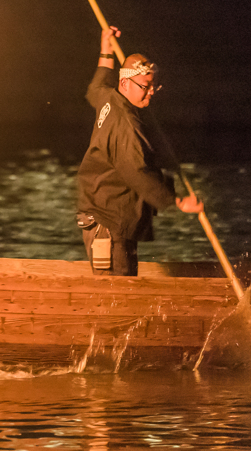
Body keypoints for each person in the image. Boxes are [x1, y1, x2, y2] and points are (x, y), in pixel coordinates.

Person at [75, 26, 202, 276]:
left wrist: (105, 50)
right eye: (145, 86)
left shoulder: (109, 98)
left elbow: (95, 88)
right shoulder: (126, 125)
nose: (151, 92)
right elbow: (136, 172)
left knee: (122, 286)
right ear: (125, 82)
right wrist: (176, 201)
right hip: (108, 223)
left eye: (154, 86)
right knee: (116, 294)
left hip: (107, 216)